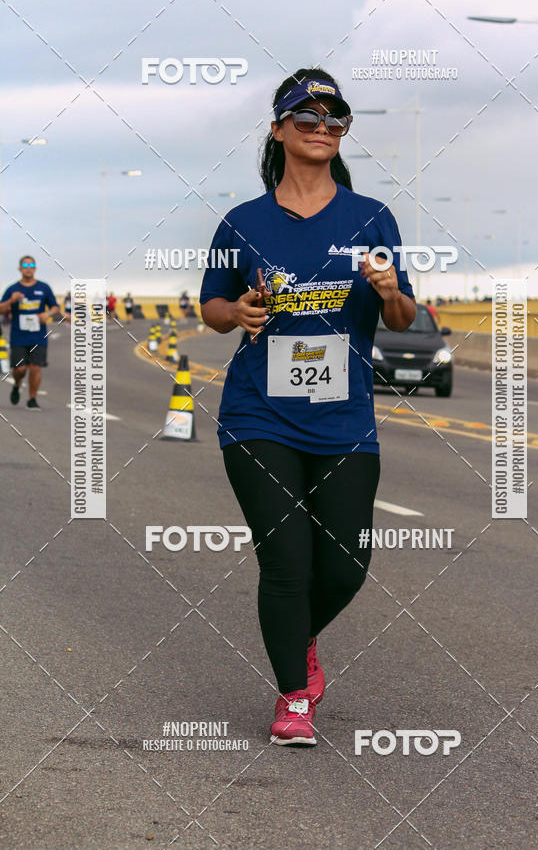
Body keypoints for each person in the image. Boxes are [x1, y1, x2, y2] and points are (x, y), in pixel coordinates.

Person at [200, 68, 416, 746]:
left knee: (346, 564)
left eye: (334, 120)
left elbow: (405, 319)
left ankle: (300, 640)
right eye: (307, 118)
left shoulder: (371, 217)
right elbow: (210, 306)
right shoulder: (243, 222)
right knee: (287, 561)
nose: (322, 129)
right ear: (279, 130)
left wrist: (387, 292)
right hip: (257, 414)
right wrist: (234, 310)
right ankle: (294, 695)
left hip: (344, 419)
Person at [0, 255, 60, 409]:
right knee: (20, 369)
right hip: (18, 336)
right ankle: (17, 384)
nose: (28, 267)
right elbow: (1, 308)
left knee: (35, 367)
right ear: (20, 269)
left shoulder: (43, 288)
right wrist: (11, 301)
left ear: (35, 268)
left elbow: (55, 307)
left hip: (38, 335)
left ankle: (32, 399)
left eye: (31, 265)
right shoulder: (13, 289)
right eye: (25, 265)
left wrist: (47, 314)